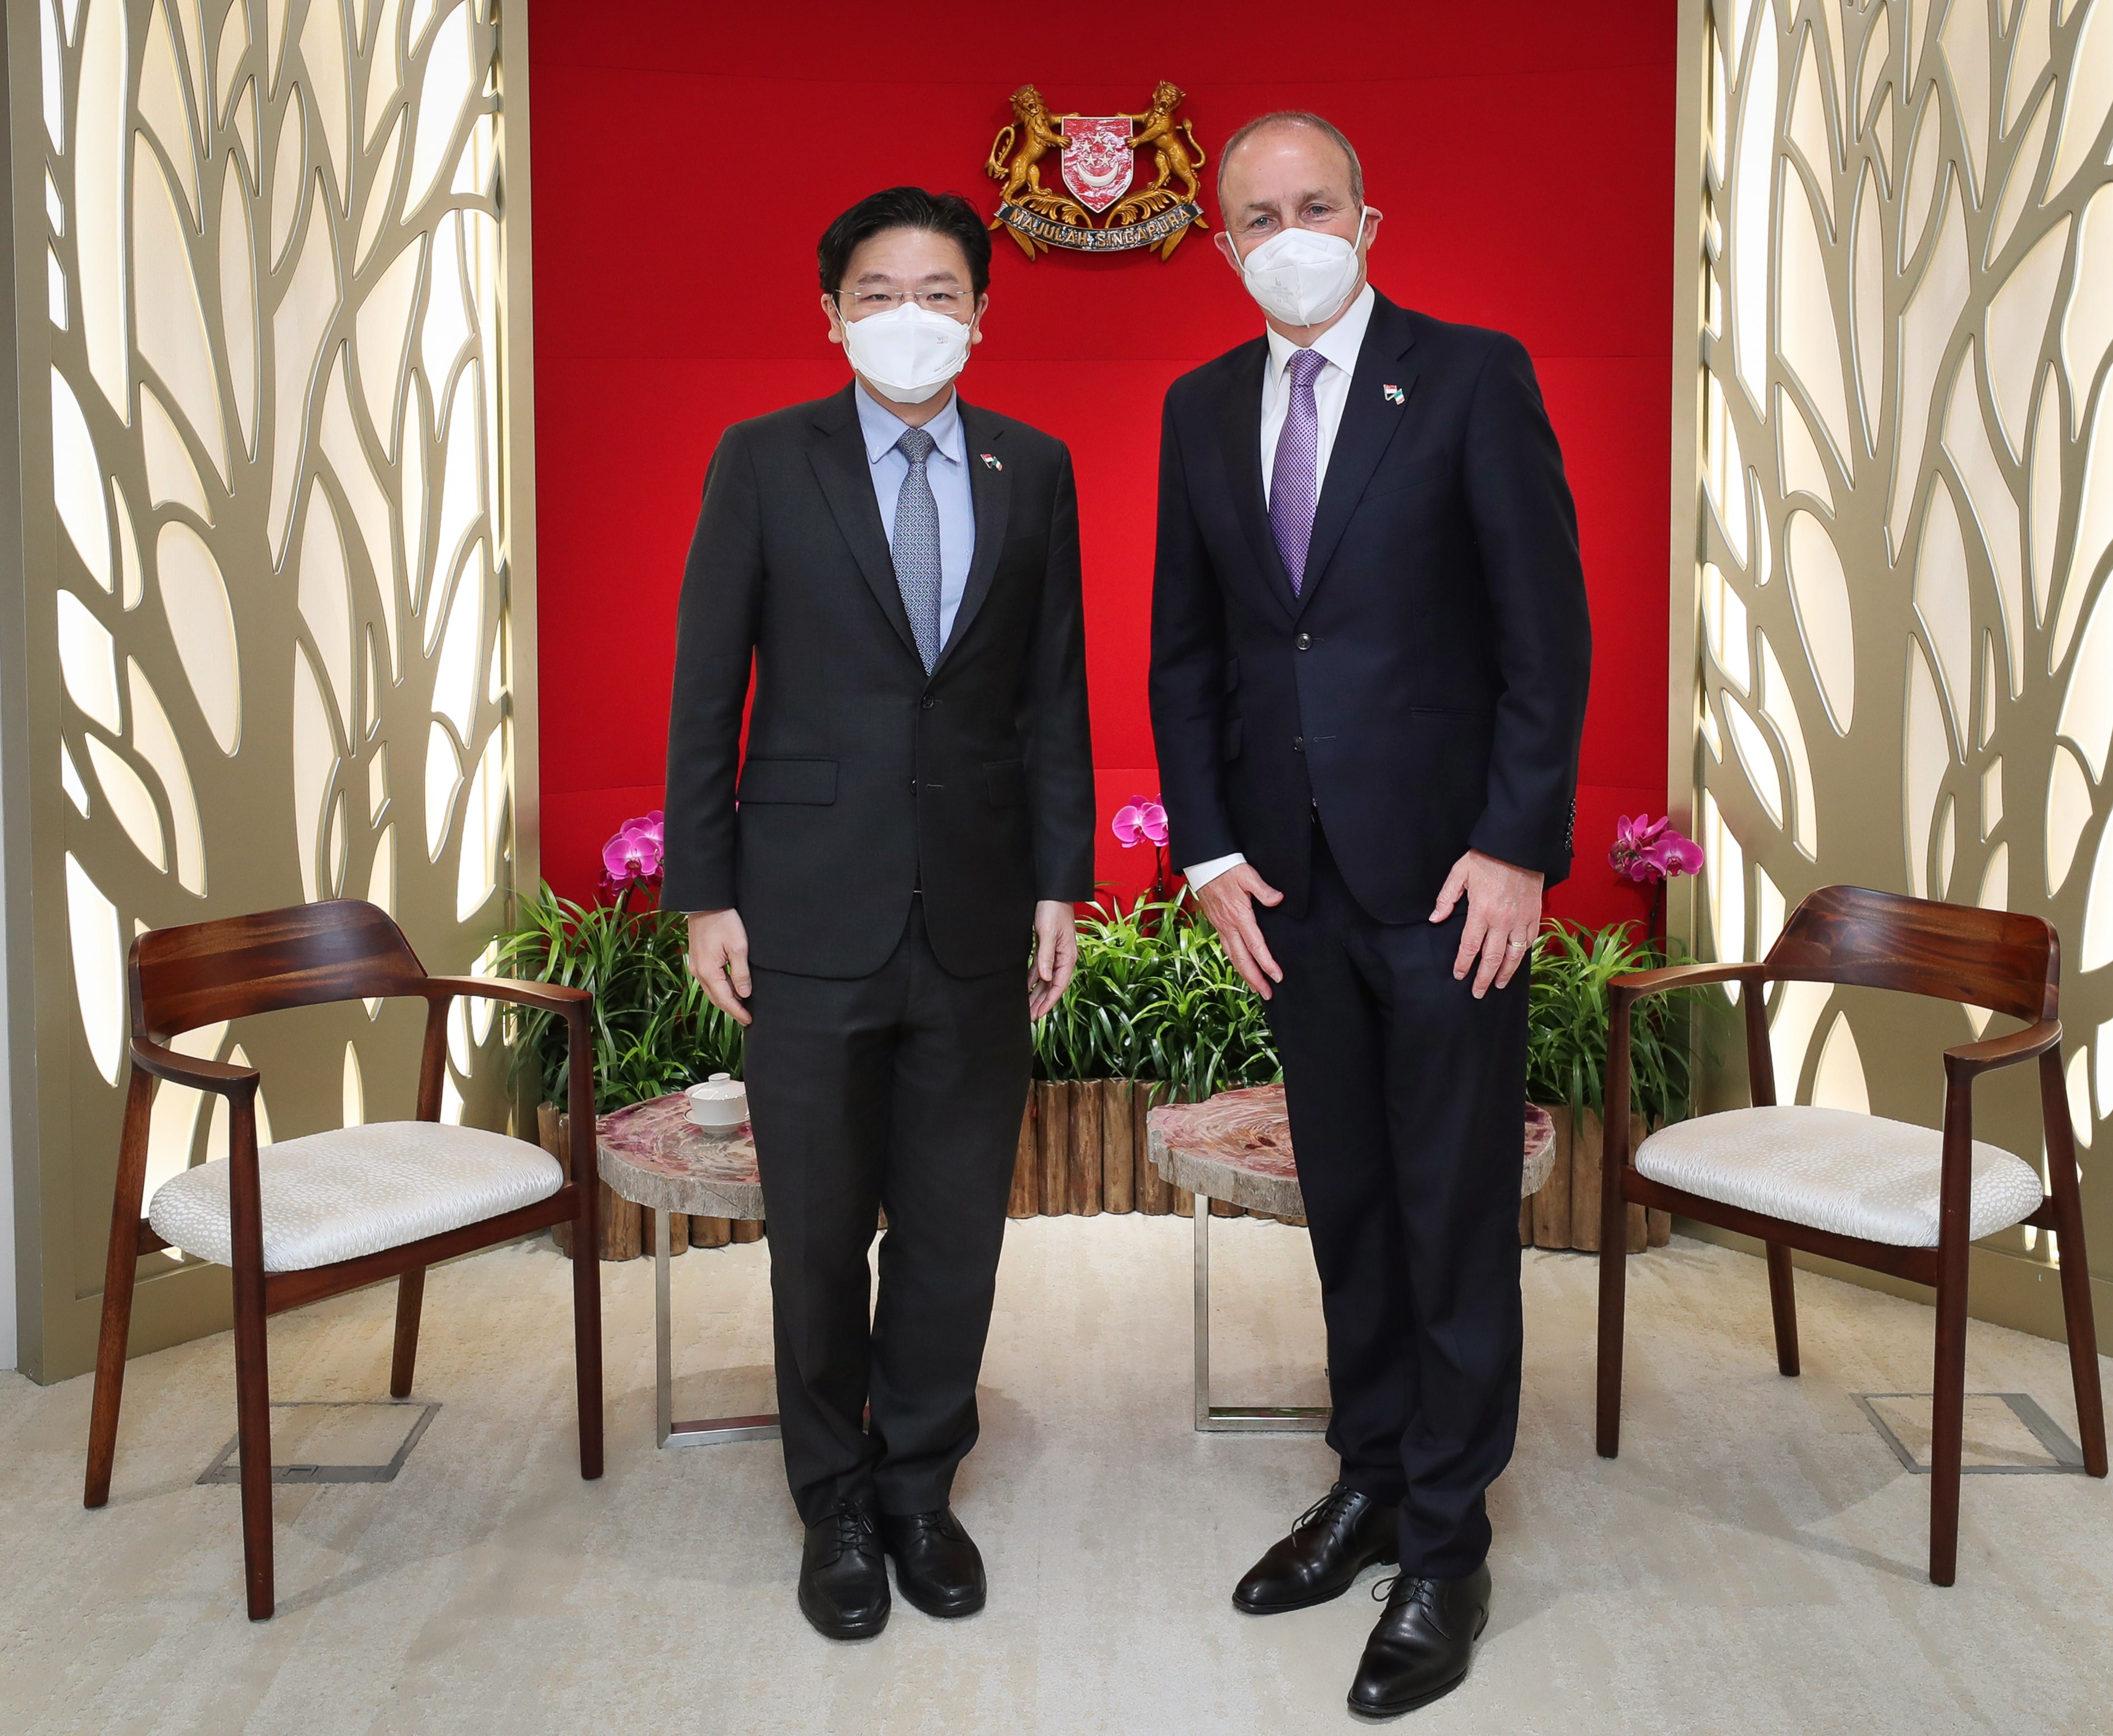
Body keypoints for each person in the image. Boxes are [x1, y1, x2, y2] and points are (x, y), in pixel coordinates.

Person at [1147, 113, 1590, 1716]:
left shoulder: (1473, 377)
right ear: (1224, 245)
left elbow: (1548, 635)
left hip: (1452, 883)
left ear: (1370, 217)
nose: (1288, 232)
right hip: (1289, 888)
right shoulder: (1202, 409)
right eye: (1255, 215)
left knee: (1452, 1208)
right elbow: (1185, 653)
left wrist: (1519, 847)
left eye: (1313, 204)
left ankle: (1450, 1539)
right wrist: (1206, 853)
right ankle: (1374, 1475)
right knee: (1347, 1198)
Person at [662, 186, 1094, 1642]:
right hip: (804, 908)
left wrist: (1057, 880)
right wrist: (705, 891)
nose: (911, 316)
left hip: (975, 912)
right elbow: (707, 689)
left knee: (958, 1225)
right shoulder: (762, 460)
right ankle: (832, 1499)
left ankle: (918, 1485)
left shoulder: (1034, 469)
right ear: (831, 312)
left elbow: (1052, 703)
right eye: (879, 291)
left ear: (983, 311)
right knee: (821, 1227)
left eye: (939, 292)